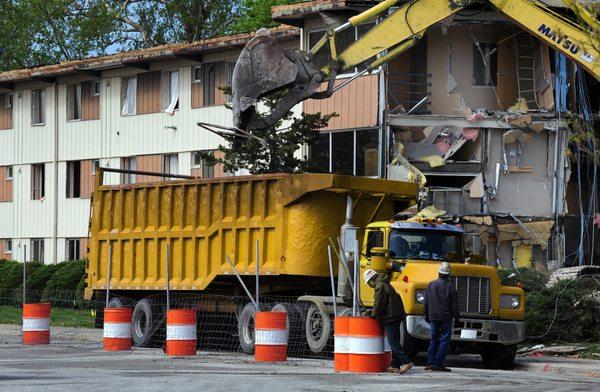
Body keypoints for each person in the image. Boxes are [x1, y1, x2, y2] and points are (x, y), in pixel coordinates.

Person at [363, 269, 413, 374]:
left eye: (368, 283)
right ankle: (395, 365)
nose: (369, 285)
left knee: (393, 342)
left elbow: (379, 303)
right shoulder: (386, 283)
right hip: (396, 315)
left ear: (372, 280)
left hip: (390, 317)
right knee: (395, 340)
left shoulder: (379, 286)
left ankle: (406, 362)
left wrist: (373, 315)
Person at [423, 262, 459, 372]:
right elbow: (454, 305)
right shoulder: (450, 287)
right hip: (446, 317)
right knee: (444, 340)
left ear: (439, 272)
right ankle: (438, 363)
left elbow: (426, 302)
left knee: (433, 339)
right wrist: (457, 318)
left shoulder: (430, 285)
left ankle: (430, 362)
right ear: (448, 274)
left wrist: (426, 315)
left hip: (433, 316)